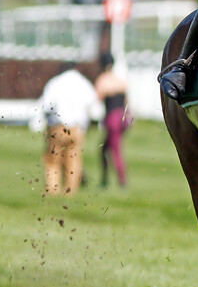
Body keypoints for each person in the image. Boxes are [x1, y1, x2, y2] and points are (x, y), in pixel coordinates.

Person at [40, 62, 97, 196]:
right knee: (74, 160)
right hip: (77, 128)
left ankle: (53, 189)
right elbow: (94, 107)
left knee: (53, 160)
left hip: (58, 127)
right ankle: (70, 190)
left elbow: (45, 104)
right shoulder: (84, 83)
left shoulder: (56, 83)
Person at [94, 53, 132, 188]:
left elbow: (97, 98)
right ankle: (105, 179)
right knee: (105, 149)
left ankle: (122, 180)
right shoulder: (120, 80)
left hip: (112, 117)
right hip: (123, 116)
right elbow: (127, 101)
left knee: (115, 150)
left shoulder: (102, 80)